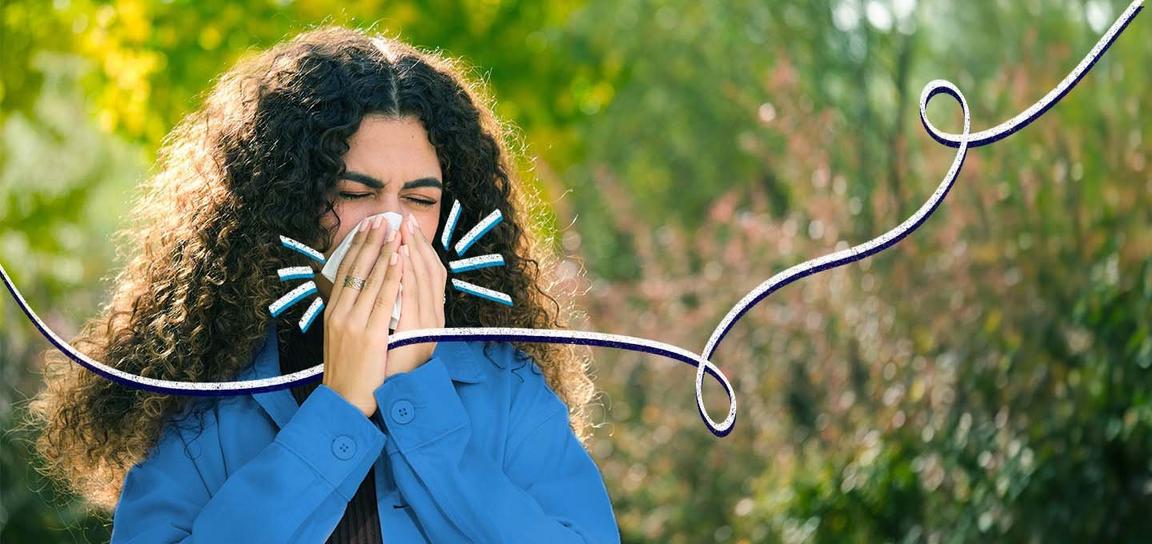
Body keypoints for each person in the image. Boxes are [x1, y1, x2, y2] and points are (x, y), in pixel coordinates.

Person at [27, 26, 619, 543]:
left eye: (419, 199)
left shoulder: (505, 387)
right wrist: (338, 410)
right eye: (355, 194)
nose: (391, 227)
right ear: (285, 204)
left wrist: (417, 395)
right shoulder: (205, 402)